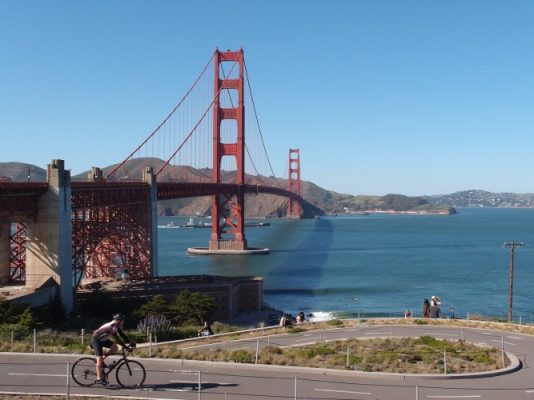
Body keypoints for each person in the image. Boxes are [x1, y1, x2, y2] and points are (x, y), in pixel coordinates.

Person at [91, 313, 132, 386]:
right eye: (122, 320)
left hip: (102, 340)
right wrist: (126, 347)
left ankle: (101, 360)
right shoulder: (111, 326)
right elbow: (117, 339)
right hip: (96, 340)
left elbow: (122, 335)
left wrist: (130, 342)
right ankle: (99, 379)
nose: (123, 322)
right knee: (99, 359)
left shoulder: (116, 325)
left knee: (115, 348)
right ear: (118, 320)